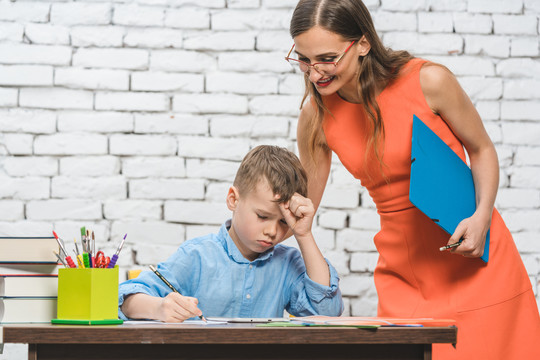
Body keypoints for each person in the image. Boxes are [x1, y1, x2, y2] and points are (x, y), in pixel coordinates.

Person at [286, 0, 540, 358]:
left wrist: (482, 216)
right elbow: (304, 206)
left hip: (474, 256)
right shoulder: (316, 114)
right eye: (304, 59)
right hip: (404, 274)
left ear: (362, 44)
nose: (315, 74)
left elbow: (481, 149)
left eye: (327, 58)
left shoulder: (429, 81)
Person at [118, 145, 343, 322]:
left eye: (285, 222)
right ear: (233, 199)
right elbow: (126, 299)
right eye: (262, 216)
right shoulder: (197, 256)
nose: (273, 231)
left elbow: (327, 313)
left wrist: (303, 234)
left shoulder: (287, 263)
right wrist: (159, 307)